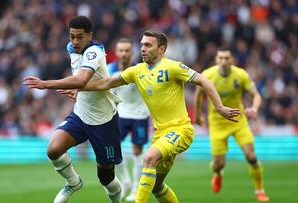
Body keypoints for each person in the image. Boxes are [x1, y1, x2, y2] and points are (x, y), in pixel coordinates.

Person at [76, 30, 240, 203]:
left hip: (181, 130)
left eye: (148, 45)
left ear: (162, 49)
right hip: (160, 133)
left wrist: (219, 106)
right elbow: (106, 82)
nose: (143, 49)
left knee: (148, 157)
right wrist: (79, 86)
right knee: (156, 186)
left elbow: (204, 80)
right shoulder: (137, 70)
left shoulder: (173, 67)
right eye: (141, 45)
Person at [23, 16, 122, 203]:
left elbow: (82, 79)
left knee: (106, 177)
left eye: (80, 37)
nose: (75, 42)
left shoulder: (95, 51)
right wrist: (78, 88)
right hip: (81, 114)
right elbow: (81, 77)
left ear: (90, 36)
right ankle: (73, 182)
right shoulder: (71, 49)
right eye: (72, 36)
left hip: (104, 121)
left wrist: (46, 84)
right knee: (53, 149)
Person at [193, 47, 270, 202]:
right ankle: (218, 174)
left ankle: (259, 190)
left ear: (231, 60)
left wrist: (254, 108)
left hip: (238, 121)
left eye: (226, 58)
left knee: (251, 156)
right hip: (217, 123)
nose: (223, 61)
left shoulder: (241, 75)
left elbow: (256, 95)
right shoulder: (208, 75)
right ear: (216, 59)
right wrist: (198, 116)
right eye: (220, 58)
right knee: (218, 165)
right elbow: (198, 96)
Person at [107, 38, 150, 201]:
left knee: (137, 151)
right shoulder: (110, 69)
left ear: (132, 53)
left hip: (140, 115)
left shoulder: (139, 70)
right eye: (121, 50)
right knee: (113, 147)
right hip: (121, 114)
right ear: (116, 52)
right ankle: (125, 180)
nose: (124, 54)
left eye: (127, 50)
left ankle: (135, 188)